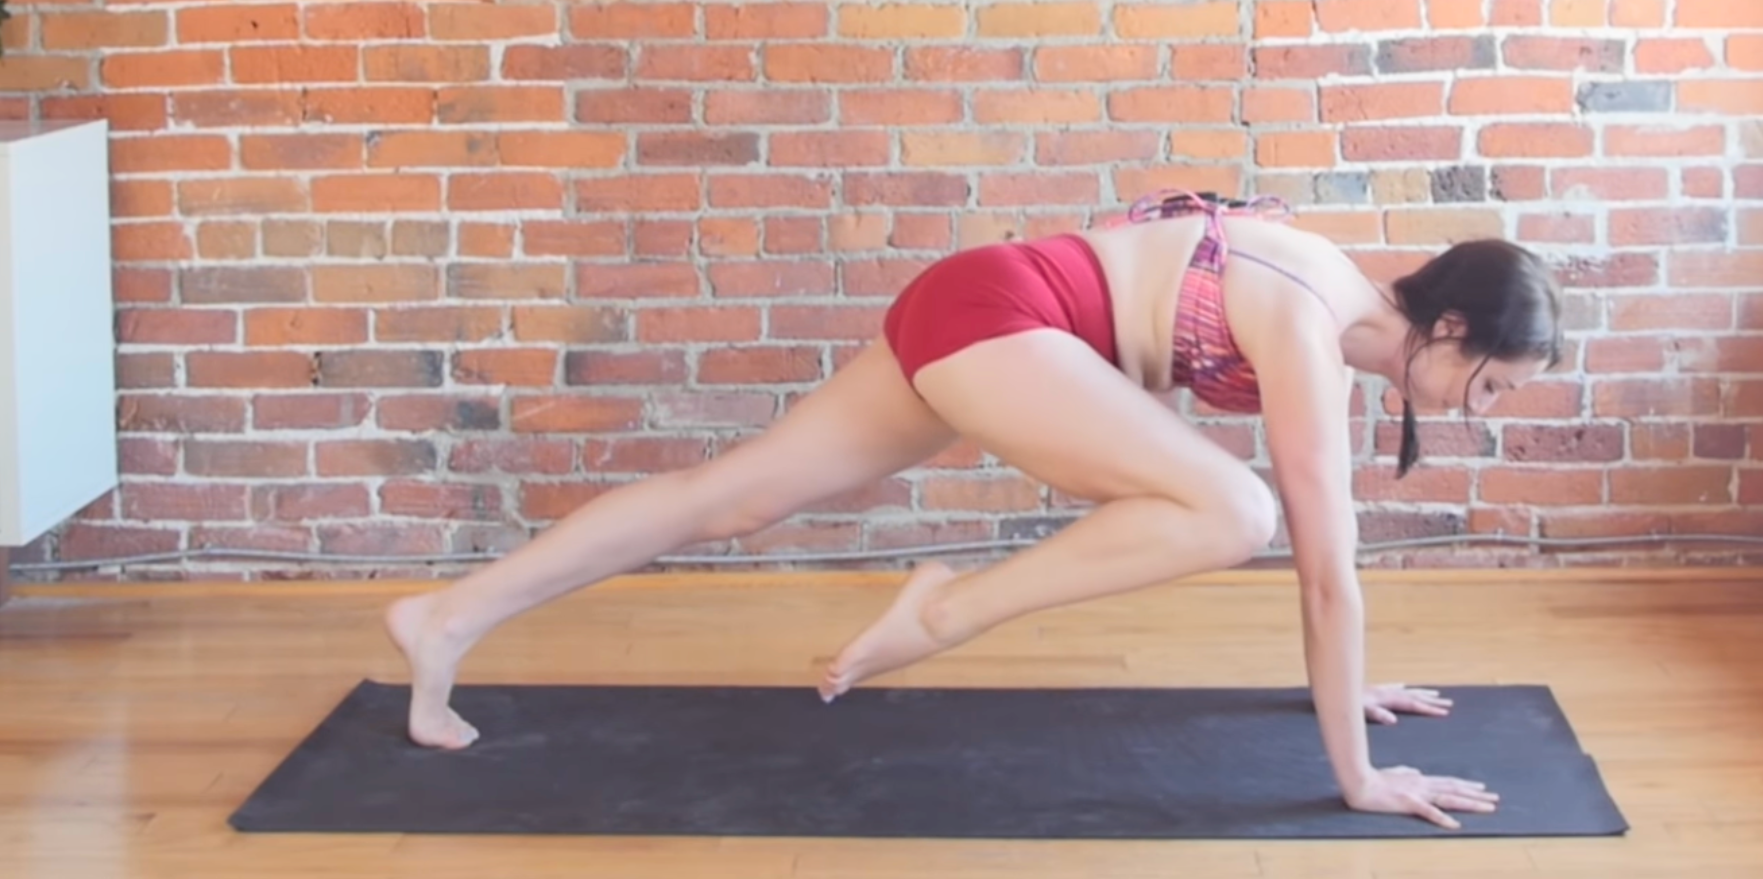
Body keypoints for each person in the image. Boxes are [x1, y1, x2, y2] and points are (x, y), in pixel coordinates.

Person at [384, 188, 1564, 830]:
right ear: (1451, 329)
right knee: (1235, 509)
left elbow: (1332, 562)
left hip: (980, 307)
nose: (1481, 408)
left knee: (727, 500)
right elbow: (1322, 565)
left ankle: (446, 619)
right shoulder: (1313, 315)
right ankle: (941, 612)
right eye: (1491, 386)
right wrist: (1356, 779)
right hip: (1004, 324)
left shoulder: (1328, 310)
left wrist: (1340, 684)